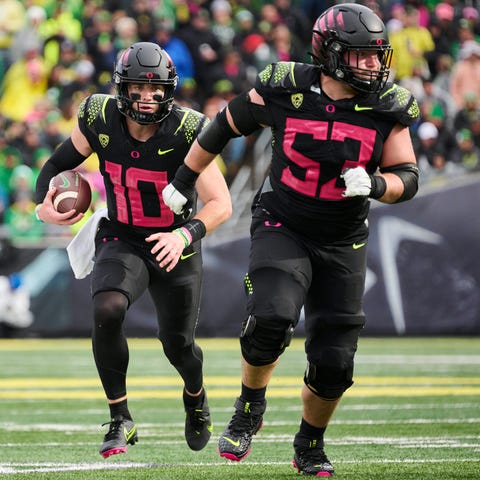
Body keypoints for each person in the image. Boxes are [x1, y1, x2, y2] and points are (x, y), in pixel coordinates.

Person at [162, 4, 419, 477]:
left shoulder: (387, 106)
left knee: (335, 360)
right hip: (285, 222)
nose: (373, 65)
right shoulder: (287, 87)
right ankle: (249, 405)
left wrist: (379, 186)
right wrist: (184, 176)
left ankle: (309, 443)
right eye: (361, 56)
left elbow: (408, 175)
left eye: (376, 55)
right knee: (271, 318)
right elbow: (223, 124)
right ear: (332, 54)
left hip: (343, 239)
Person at [34, 42, 231, 458]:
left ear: (169, 90)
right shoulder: (99, 117)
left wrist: (185, 235)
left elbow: (221, 204)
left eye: (156, 88)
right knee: (107, 307)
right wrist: (43, 206)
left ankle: (195, 396)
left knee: (178, 345)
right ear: (122, 89)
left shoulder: (188, 129)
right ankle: (120, 417)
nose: (147, 97)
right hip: (121, 235)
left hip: (175, 243)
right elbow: (55, 166)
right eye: (138, 88)